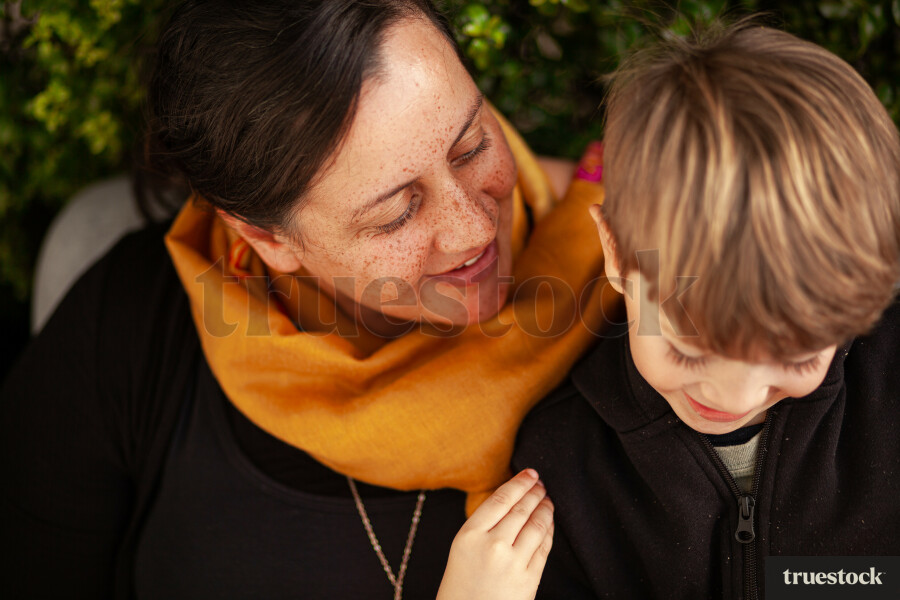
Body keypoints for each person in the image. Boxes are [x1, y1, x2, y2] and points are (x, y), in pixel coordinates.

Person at [0, 1, 616, 598]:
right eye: (396, 213)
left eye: (472, 145)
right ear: (265, 236)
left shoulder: (632, 278)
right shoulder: (129, 326)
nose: (476, 230)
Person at [513, 21, 900, 599]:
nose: (734, 398)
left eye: (795, 357)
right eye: (689, 348)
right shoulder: (564, 465)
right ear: (616, 251)